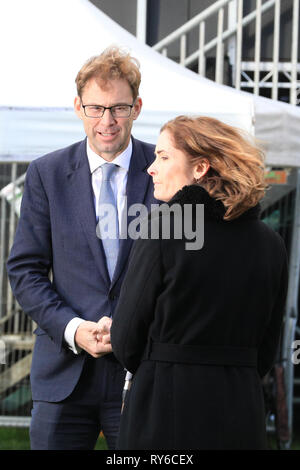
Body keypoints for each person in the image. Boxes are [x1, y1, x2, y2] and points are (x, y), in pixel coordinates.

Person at [6, 46, 157, 450]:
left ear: (137, 107)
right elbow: (25, 269)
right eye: (96, 108)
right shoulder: (47, 173)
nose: (107, 121)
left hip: (141, 371)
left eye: (119, 108)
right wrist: (74, 329)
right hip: (64, 370)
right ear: (78, 107)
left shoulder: (164, 170)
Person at [110, 115, 288, 450]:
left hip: (165, 411)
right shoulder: (271, 243)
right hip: (241, 411)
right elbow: (267, 350)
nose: (151, 168)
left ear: (200, 168)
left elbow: (125, 339)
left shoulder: (164, 228)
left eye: (164, 157)